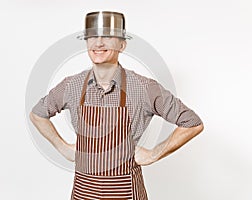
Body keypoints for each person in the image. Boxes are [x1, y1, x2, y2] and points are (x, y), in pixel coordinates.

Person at [29, 11, 204, 200]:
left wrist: (154, 154)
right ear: (86, 42)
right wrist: (62, 147)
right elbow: (38, 114)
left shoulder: (144, 88)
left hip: (127, 194)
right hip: (84, 193)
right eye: (93, 37)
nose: (99, 43)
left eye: (108, 37)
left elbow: (192, 123)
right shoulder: (72, 85)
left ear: (122, 44)